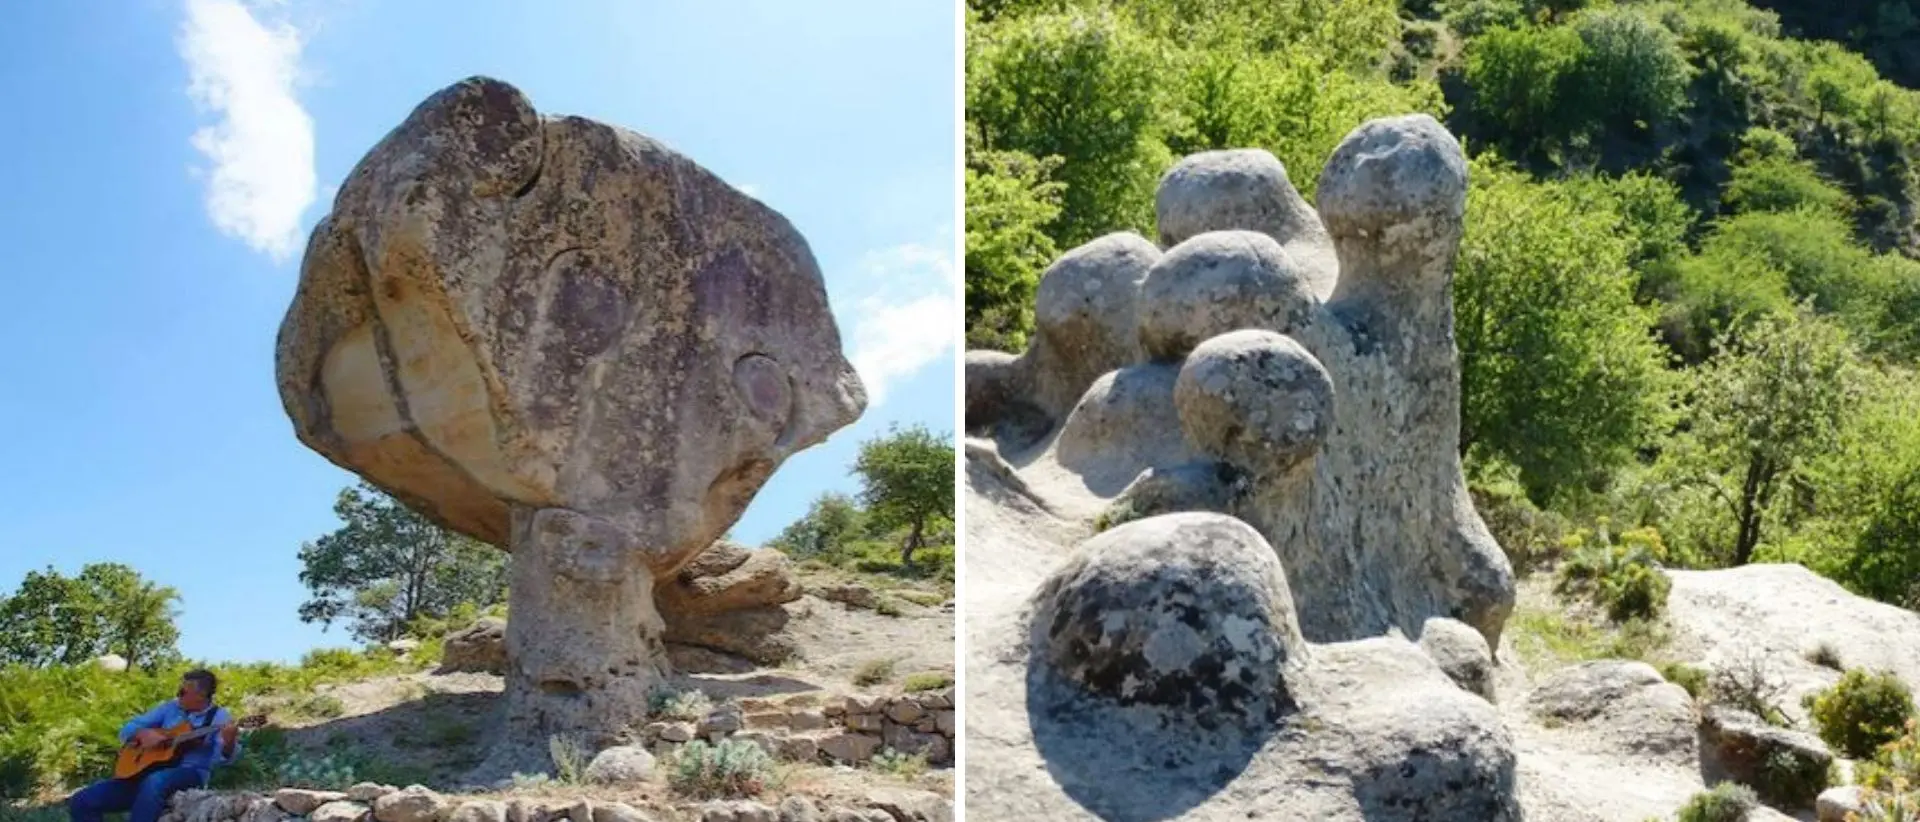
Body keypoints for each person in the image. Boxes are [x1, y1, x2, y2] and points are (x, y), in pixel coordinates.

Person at [68, 669, 244, 822]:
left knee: (156, 780)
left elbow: (223, 760)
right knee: (82, 800)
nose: (178, 695)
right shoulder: (170, 708)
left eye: (183, 692)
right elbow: (128, 728)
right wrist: (143, 733)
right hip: (144, 774)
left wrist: (229, 741)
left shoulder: (220, 718)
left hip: (190, 773)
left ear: (201, 696)